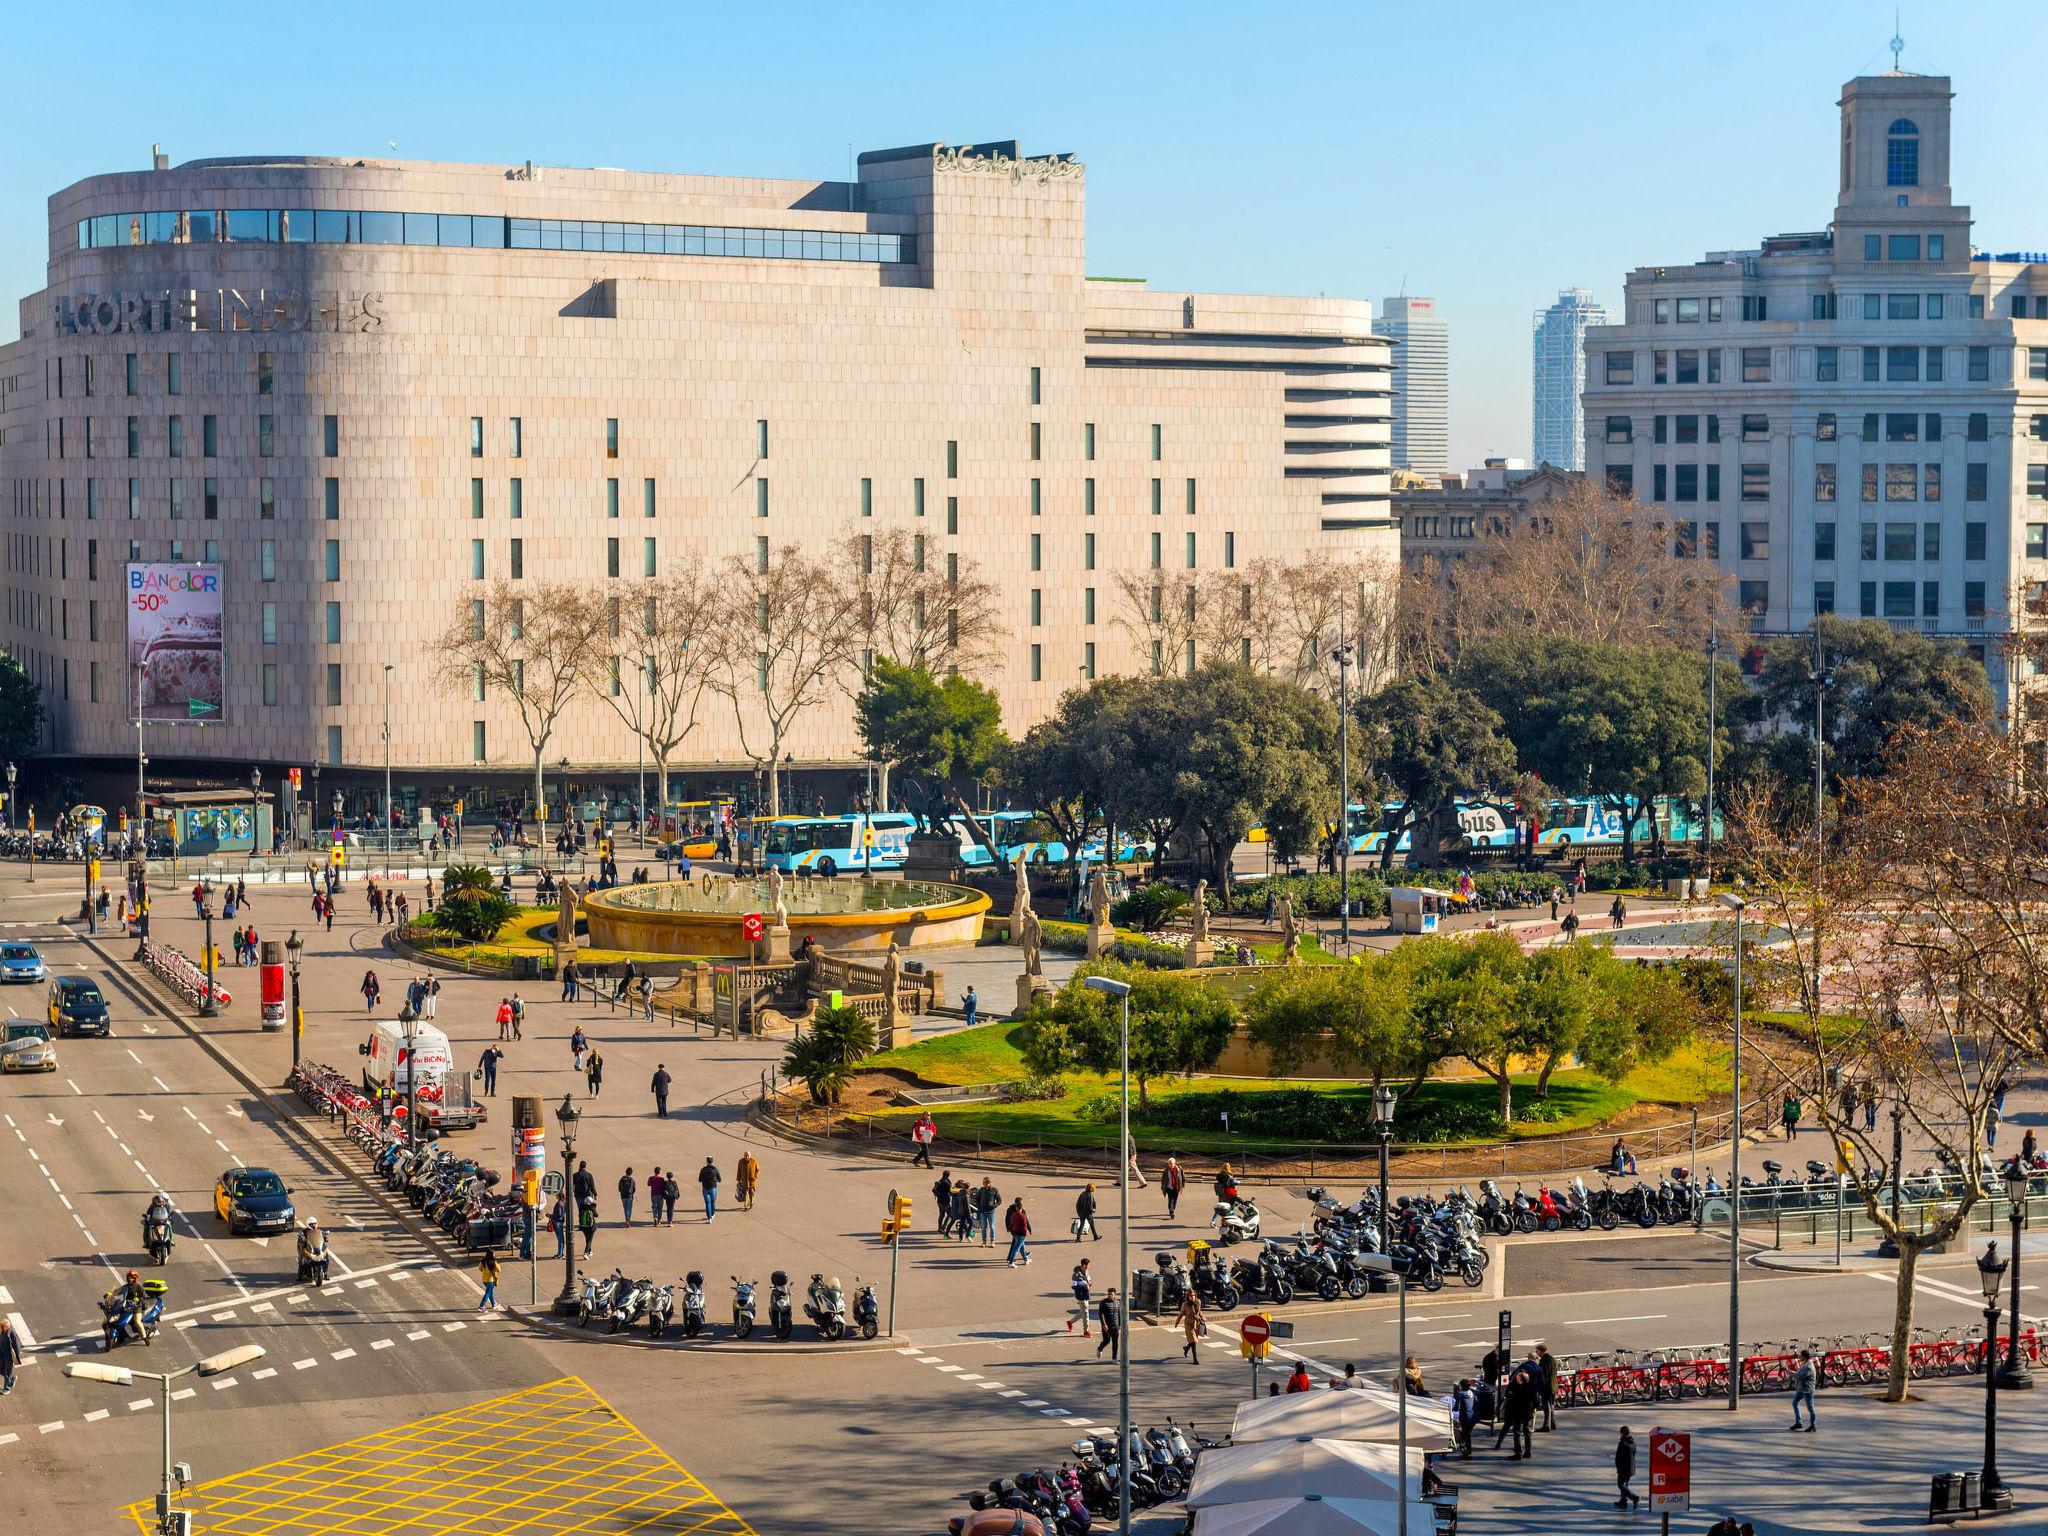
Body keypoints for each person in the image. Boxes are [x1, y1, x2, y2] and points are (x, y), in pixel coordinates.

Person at [1790, 1348, 1818, 1432]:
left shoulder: (1809, 1367)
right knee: (1795, 1403)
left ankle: (1813, 1425)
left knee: (1810, 1408)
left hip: (1807, 1390)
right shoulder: (1804, 1364)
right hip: (1801, 1389)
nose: (1799, 1357)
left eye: (1801, 1356)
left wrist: (1789, 1372)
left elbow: (1799, 1375)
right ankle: (1799, 1423)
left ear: (1804, 1357)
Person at [1614, 1426, 1641, 1509]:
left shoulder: (1622, 1443)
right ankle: (1623, 1501)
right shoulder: (1632, 1442)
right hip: (1631, 1468)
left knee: (1621, 1485)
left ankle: (1634, 1497)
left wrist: (1618, 1466)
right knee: (1625, 1485)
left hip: (1623, 1468)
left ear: (1622, 1433)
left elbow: (1618, 1457)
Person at [1177, 1288, 1205, 1361]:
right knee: (1193, 1341)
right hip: (1188, 1323)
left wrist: (1202, 1317)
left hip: (1196, 1323)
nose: (1192, 1297)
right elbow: (1181, 1314)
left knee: (1193, 1341)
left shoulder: (1198, 1302)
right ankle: (1195, 1358)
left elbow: (1199, 1311)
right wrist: (1177, 1322)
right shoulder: (1185, 1304)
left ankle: (1186, 1348)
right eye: (1191, 1296)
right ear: (1188, 1296)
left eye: (1193, 1295)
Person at [1451, 1379, 1477, 1458]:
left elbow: (1455, 1408)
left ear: (1461, 1386)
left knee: (1466, 1434)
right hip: (1473, 1417)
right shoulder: (1472, 1393)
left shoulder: (1460, 1394)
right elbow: (1476, 1402)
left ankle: (1468, 1452)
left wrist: (1452, 1410)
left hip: (1465, 1417)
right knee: (1466, 1433)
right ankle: (1464, 1448)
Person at [972, 1176, 1001, 1245]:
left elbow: (999, 1200)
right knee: (983, 1227)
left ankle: (992, 1241)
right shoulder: (981, 1190)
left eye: (985, 1182)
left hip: (991, 1212)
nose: (984, 1184)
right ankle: (984, 1241)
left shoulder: (994, 1190)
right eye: (984, 1182)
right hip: (983, 1212)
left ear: (989, 1183)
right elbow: (977, 1199)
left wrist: (994, 1205)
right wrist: (979, 1207)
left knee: (992, 1227)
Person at [1067, 1258, 1093, 1335]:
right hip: (1081, 1295)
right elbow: (1073, 1286)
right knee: (1086, 1312)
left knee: (1083, 1312)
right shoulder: (1075, 1275)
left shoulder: (1086, 1272)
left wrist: (1089, 1283)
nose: (1089, 1267)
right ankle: (1086, 1331)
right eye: (1088, 1265)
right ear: (1084, 1265)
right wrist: (1083, 1285)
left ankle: (1070, 1322)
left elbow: (1089, 1279)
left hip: (1087, 1294)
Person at [1535, 1343, 1558, 1430]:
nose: (1537, 1353)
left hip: (1547, 1387)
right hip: (1554, 1385)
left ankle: (1546, 1425)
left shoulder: (1544, 1360)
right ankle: (1552, 1423)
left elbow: (1543, 1375)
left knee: (1546, 1406)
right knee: (1551, 1405)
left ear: (1541, 1351)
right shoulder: (1552, 1359)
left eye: (1537, 1351)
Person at [1095, 1287, 1120, 1361]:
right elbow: (1100, 1314)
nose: (1109, 1296)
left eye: (1111, 1294)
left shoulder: (1118, 1302)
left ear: (1115, 1294)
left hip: (1115, 1326)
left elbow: (1119, 1314)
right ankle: (1100, 1348)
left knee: (1115, 1342)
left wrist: (1120, 1326)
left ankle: (1114, 1358)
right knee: (1107, 1341)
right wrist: (1103, 1324)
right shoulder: (1103, 1302)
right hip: (1107, 1326)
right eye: (1108, 1294)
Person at [1004, 1197, 1032, 1266]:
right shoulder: (1022, 1214)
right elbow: (1025, 1223)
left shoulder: (1011, 1212)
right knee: (1016, 1247)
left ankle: (1025, 1258)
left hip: (1013, 1231)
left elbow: (1008, 1220)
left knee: (1021, 1245)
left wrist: (1009, 1228)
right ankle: (1011, 1260)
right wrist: (1028, 1230)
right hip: (1020, 1233)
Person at [0, 1315, 22, 1396]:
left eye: (2, 1327)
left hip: (9, 1358)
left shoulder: (12, 1334)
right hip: (2, 1356)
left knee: (7, 1372)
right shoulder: (2, 1333)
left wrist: (17, 1357)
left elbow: (17, 1346)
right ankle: (12, 1379)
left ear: (7, 1326)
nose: (1, 1328)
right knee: (1, 1370)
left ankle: (7, 1388)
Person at [698, 1156, 722, 1221]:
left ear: (707, 1161)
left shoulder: (703, 1169)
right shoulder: (715, 1169)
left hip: (705, 1188)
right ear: (712, 1161)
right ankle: (713, 1213)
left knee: (707, 1203)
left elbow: (699, 1180)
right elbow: (720, 1179)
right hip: (713, 1188)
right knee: (712, 1202)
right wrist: (715, 1180)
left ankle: (709, 1218)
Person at [1161, 1156, 1185, 1220]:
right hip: (1169, 1188)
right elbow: (1163, 1179)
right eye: (1169, 1163)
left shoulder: (1179, 1169)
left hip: (1176, 1188)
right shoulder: (1166, 1171)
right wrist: (1162, 1187)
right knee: (1171, 1200)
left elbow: (1183, 1178)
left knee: (1175, 1200)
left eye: (1172, 1163)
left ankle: (1172, 1209)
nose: (1171, 1165)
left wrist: (1183, 1185)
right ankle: (1171, 1212)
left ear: (1175, 1163)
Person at [933, 1169, 956, 1234]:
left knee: (942, 1214)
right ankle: (945, 1228)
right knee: (952, 1215)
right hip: (945, 1202)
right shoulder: (946, 1182)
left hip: (939, 1201)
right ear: (948, 1175)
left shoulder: (940, 1181)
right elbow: (949, 1191)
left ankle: (940, 1228)